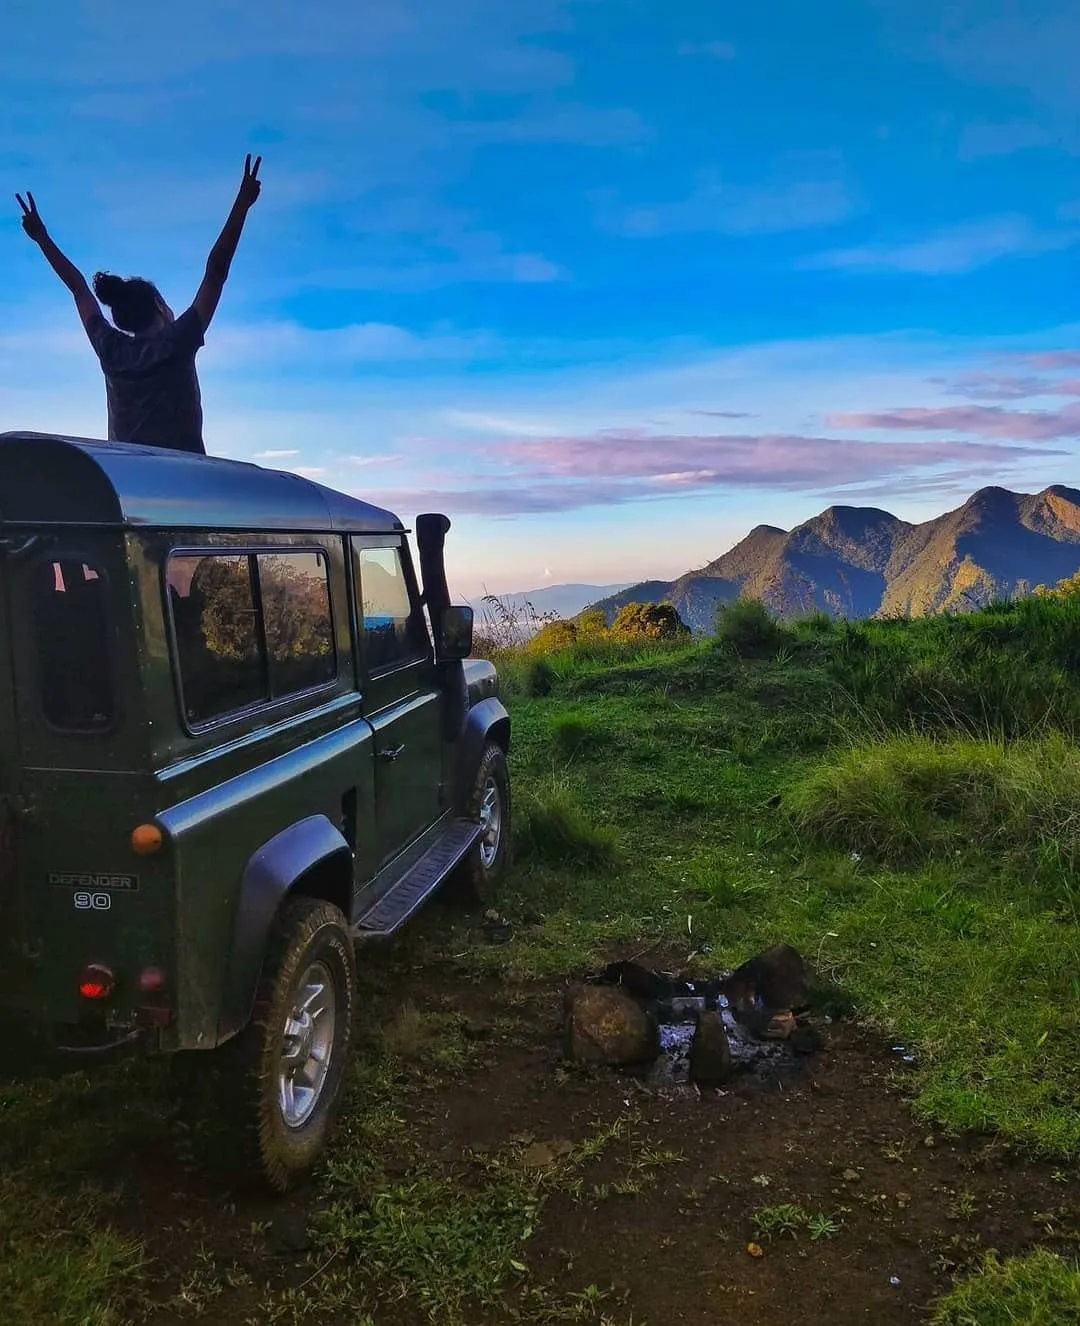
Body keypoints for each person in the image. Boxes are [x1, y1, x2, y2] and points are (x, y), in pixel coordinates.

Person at [15, 155, 263, 454]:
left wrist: (42, 238)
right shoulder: (178, 341)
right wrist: (241, 205)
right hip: (184, 476)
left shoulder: (111, 349)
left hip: (130, 477)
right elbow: (217, 268)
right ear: (159, 305)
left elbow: (79, 289)